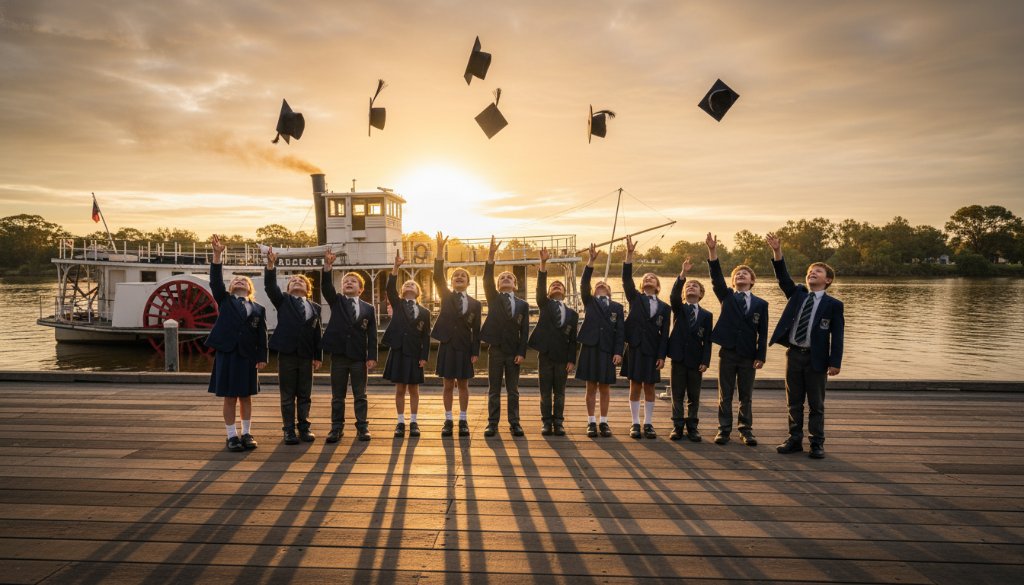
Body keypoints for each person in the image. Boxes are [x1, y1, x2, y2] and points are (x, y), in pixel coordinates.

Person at [766, 233, 845, 459]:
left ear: (827, 280)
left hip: (817, 359)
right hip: (794, 355)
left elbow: (838, 335)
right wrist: (777, 252)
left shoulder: (833, 305)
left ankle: (817, 443)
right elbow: (783, 278)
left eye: (818, 271)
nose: (812, 273)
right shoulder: (798, 294)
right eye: (810, 271)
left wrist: (835, 362)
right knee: (794, 401)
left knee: (816, 404)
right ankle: (794, 439)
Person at [205, 234, 267, 452]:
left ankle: (247, 433)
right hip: (227, 353)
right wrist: (217, 255)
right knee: (230, 396)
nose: (239, 281)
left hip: (248, 356)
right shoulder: (224, 300)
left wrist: (262, 357)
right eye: (235, 280)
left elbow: (261, 335)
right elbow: (215, 281)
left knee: (246, 396)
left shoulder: (259, 309)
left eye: (244, 280)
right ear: (231, 287)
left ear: (250, 288)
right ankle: (231, 436)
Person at [706, 232, 769, 447]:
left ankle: (746, 430)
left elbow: (763, 332)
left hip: (749, 354)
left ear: (752, 281)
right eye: (737, 274)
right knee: (725, 394)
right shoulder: (727, 296)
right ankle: (723, 430)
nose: (741, 275)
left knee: (746, 395)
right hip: (728, 352)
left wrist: (761, 356)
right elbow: (715, 276)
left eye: (745, 273)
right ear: (733, 281)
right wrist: (712, 251)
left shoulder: (761, 304)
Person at [264, 247, 322, 444]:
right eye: (293, 281)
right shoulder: (283, 301)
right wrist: (271, 265)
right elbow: (270, 287)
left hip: (306, 355)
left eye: (301, 281)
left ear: (308, 289)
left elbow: (316, 332)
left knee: (305, 393)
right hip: (287, 353)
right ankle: (288, 430)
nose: (297, 282)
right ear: (288, 289)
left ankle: (304, 427)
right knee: (288, 394)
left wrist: (318, 356)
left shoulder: (315, 307)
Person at [322, 249, 377, 442]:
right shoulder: (336, 301)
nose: (348, 283)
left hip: (359, 356)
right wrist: (328, 267)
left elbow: (371, 334)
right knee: (338, 395)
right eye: (346, 281)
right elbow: (326, 287)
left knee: (360, 395)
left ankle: (362, 427)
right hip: (339, 356)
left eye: (353, 281)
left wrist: (372, 356)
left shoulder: (369, 309)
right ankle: (336, 428)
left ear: (361, 289)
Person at [432, 232, 482, 438]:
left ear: (468, 282)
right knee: (447, 385)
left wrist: (475, 351)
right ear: (451, 282)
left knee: (463, 384)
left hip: (464, 346)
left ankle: (463, 419)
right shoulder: (446, 295)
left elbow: (477, 330)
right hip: (447, 345)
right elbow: (437, 276)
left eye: (463, 276)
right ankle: (448, 419)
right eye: (455, 276)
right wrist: (439, 251)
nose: (459, 277)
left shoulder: (476, 304)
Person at [620, 235, 671, 439]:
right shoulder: (635, 298)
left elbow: (664, 334)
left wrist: (662, 355)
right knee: (635, 386)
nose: (649, 279)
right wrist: (629, 255)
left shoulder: (665, 308)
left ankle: (648, 423)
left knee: (650, 386)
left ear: (658, 286)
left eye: (653, 278)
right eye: (646, 278)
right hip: (634, 347)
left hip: (652, 350)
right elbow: (626, 279)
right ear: (641, 285)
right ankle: (635, 424)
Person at [481, 236, 530, 437]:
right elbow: (486, 280)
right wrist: (491, 256)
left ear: (515, 285)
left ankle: (515, 423)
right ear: (498, 285)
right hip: (496, 350)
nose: (506, 279)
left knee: (513, 390)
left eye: (510, 277)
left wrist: (522, 352)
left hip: (513, 352)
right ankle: (492, 423)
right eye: (502, 278)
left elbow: (525, 331)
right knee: (494, 389)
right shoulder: (493, 299)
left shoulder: (523, 305)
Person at [575, 243, 625, 438]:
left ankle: (604, 422)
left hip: (607, 349)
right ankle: (590, 422)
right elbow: (584, 284)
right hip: (590, 348)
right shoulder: (589, 302)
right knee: (590, 387)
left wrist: (618, 352)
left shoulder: (617, 307)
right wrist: (591, 262)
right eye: (598, 286)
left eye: (604, 285)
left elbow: (620, 332)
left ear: (610, 292)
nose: (601, 285)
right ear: (594, 292)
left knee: (604, 388)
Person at [528, 246, 579, 436]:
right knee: (545, 392)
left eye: (560, 285)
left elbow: (573, 340)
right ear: (549, 293)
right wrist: (543, 264)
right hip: (546, 355)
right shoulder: (545, 305)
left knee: (560, 392)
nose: (556, 286)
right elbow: (540, 290)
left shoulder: (573, 314)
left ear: (565, 292)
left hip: (562, 357)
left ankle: (559, 422)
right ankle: (546, 423)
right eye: (553, 285)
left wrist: (571, 360)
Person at [382, 249, 431, 438]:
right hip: (398, 351)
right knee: (400, 389)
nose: (409, 285)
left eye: (413, 284)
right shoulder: (398, 304)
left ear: (418, 292)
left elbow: (426, 336)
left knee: (414, 389)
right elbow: (389, 289)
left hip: (414, 353)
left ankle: (414, 422)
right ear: (402, 292)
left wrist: (424, 356)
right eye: (407, 284)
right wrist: (396, 267)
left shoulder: (425, 312)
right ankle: (400, 422)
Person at [667, 257, 713, 442]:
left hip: (696, 360)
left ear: (701, 294)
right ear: (684, 294)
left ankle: (692, 427)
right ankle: (677, 426)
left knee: (694, 395)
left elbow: (708, 340)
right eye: (688, 286)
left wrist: (705, 361)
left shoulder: (707, 315)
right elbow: (673, 296)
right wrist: (683, 274)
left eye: (695, 286)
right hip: (678, 358)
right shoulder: (679, 309)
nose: (690, 287)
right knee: (677, 394)